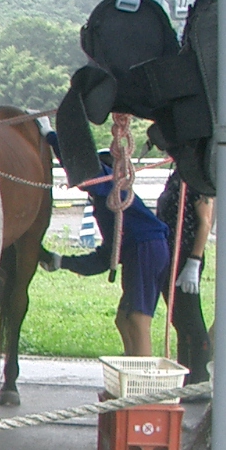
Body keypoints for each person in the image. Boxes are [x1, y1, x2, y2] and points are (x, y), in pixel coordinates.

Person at [40, 143, 170, 357]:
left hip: (146, 248)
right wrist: (61, 261)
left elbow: (84, 170)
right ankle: (131, 364)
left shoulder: (111, 185)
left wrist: (53, 138)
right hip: (142, 250)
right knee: (123, 320)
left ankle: (142, 373)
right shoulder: (107, 205)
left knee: (138, 320)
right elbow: (105, 258)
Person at [155, 169, 214, 384]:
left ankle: (199, 380)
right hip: (169, 256)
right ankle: (186, 378)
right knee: (179, 321)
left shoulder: (195, 178)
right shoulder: (177, 176)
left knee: (191, 321)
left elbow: (205, 222)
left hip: (185, 257)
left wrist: (194, 261)